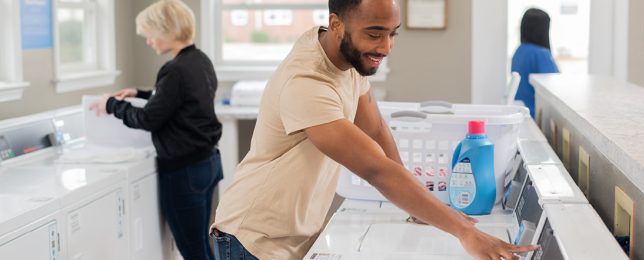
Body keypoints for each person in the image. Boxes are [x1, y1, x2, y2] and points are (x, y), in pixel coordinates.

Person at [210, 0, 539, 259]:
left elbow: (376, 128)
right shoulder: (307, 83)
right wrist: (464, 231)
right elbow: (374, 168)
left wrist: (418, 204)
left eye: (393, 33)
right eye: (374, 33)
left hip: (291, 235)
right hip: (253, 239)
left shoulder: (345, 58)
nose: (386, 47)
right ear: (337, 25)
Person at [89, 1, 222, 259]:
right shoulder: (199, 60)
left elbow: (149, 119)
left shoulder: (173, 70)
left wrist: (111, 104)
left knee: (193, 250)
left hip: (184, 172)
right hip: (209, 164)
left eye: (151, 33)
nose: (148, 41)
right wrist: (140, 93)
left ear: (167, 30)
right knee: (203, 244)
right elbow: (184, 98)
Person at [511, 8, 560, 118]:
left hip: (521, 113)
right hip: (535, 115)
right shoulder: (541, 54)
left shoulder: (519, 51)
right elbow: (556, 87)